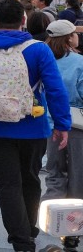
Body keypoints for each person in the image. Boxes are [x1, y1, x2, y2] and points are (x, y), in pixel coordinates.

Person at [0, 0, 71, 252]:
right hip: (33, 125)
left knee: (7, 184)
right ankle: (29, 227)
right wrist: (62, 124)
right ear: (23, 20)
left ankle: (21, 240)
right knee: (30, 178)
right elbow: (55, 89)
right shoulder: (38, 49)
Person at [41, 20, 83, 250]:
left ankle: (49, 222)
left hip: (48, 123)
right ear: (69, 38)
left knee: (54, 173)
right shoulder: (79, 62)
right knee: (77, 177)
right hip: (75, 127)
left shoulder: (43, 59)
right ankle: (72, 230)